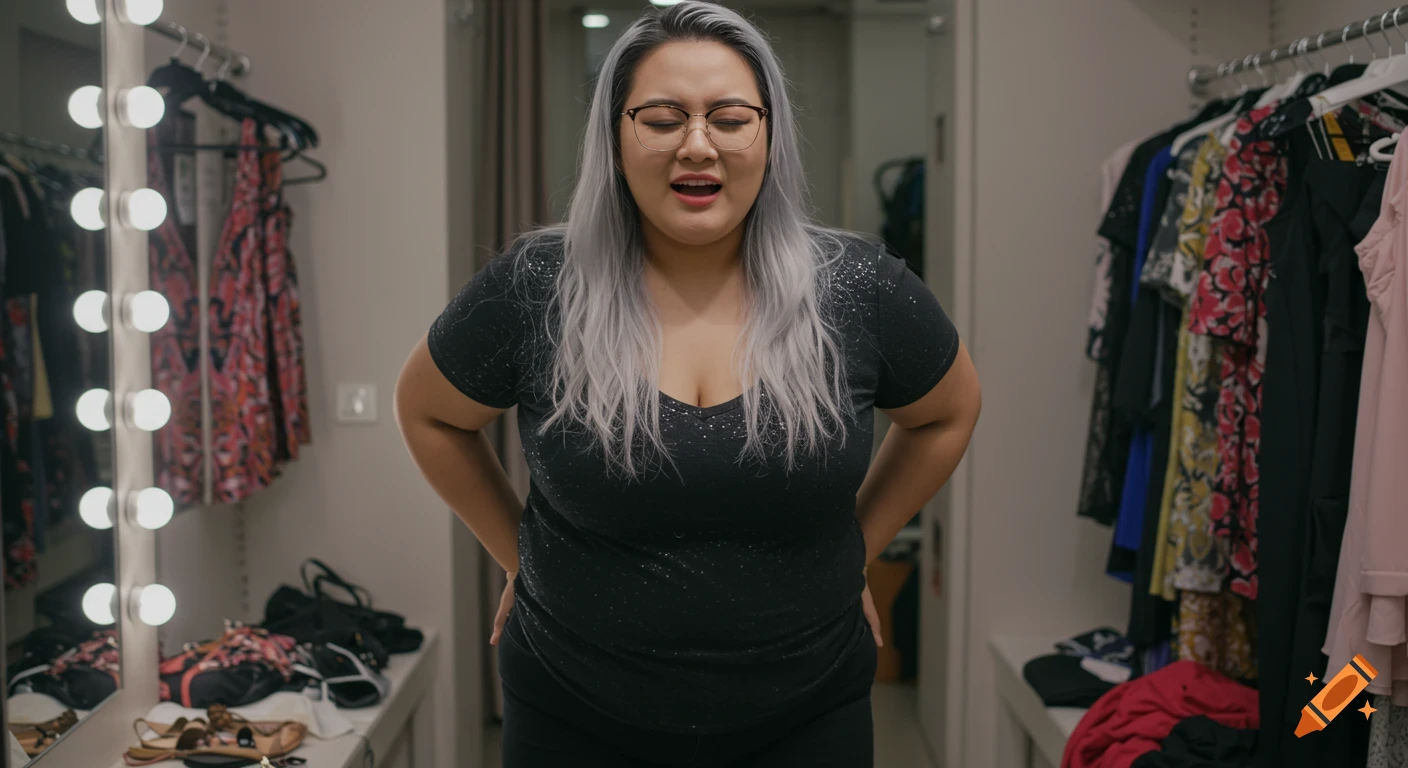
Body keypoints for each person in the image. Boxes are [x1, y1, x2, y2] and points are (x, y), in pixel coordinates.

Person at [394, 2, 980, 766]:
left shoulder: (857, 286)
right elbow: (429, 412)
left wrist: (855, 551)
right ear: (615, 136)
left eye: (730, 119)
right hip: (572, 713)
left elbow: (948, 411)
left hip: (807, 712)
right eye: (663, 119)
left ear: (769, 135)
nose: (697, 146)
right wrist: (520, 555)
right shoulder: (538, 286)